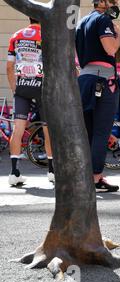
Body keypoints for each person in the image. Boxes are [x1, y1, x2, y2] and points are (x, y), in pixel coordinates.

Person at [76, 0, 120, 192]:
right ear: (102, 2)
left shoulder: (81, 23)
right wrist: (118, 35)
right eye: (113, 1)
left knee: (88, 133)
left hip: (84, 79)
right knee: (101, 133)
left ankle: (86, 177)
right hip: (103, 81)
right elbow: (111, 49)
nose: (116, 4)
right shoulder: (104, 20)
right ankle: (95, 178)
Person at [6, 18, 54, 186]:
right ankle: (52, 171)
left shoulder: (16, 36)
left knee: (18, 129)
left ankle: (14, 172)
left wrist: (15, 89)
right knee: (48, 129)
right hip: (42, 87)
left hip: (22, 87)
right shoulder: (47, 35)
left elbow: (9, 67)